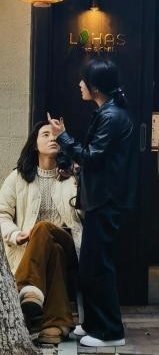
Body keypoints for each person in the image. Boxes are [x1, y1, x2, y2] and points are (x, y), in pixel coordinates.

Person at [49, 58, 138, 348]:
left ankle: (110, 331)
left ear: (95, 86)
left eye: (83, 80)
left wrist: (63, 138)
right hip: (102, 199)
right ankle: (92, 324)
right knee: (91, 266)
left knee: (99, 268)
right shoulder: (108, 111)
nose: (79, 85)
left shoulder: (111, 116)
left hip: (105, 201)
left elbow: (92, 156)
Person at [0, 121, 82, 345]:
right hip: (34, 248)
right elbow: (2, 213)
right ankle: (56, 323)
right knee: (53, 250)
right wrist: (15, 234)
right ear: (35, 145)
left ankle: (25, 288)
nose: (52, 138)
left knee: (43, 227)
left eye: (55, 135)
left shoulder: (71, 176)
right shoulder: (18, 177)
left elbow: (85, 213)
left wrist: (79, 179)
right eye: (45, 134)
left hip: (68, 241)